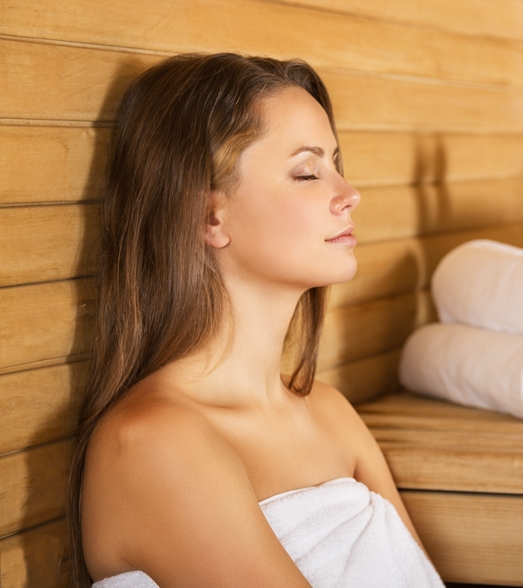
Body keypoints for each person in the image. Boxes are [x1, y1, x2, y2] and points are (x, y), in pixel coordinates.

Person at [66, 53, 444, 587]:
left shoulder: (331, 413)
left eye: (337, 164)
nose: (348, 194)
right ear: (208, 216)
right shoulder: (153, 443)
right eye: (308, 171)